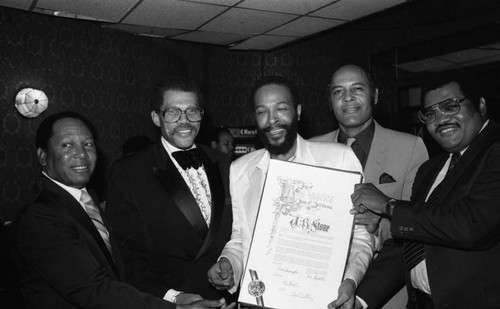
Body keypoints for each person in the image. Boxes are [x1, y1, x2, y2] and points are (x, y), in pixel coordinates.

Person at [10, 111, 228, 309]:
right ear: (42, 156)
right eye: (67, 145)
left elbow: (122, 267)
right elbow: (94, 290)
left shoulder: (88, 199)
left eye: (88, 144)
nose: (81, 154)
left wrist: (175, 297)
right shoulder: (40, 217)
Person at [207, 75, 375, 308]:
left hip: (323, 301)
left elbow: (361, 235)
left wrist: (351, 280)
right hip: (262, 301)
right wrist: (228, 262)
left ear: (297, 112)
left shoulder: (339, 159)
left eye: (281, 109)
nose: (272, 120)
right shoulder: (241, 170)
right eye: (262, 112)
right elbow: (241, 238)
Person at [351, 75, 500, 308]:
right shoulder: (430, 170)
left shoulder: (495, 152)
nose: (441, 119)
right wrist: (359, 299)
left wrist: (388, 205)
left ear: (480, 105)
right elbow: (408, 243)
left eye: (450, 106)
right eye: (430, 114)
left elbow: (471, 224)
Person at [106, 78, 235, 305]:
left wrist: (232, 265)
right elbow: (129, 256)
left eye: (192, 111)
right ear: (157, 118)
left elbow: (239, 233)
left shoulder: (225, 164)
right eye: (173, 112)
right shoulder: (129, 172)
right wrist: (175, 298)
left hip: (227, 298)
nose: (184, 121)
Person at [311, 64, 429, 308]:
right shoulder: (312, 149)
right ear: (330, 101)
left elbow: (422, 226)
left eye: (357, 89)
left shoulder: (410, 148)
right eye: (338, 92)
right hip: (319, 289)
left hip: (385, 293)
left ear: (374, 95)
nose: (348, 98)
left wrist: (381, 222)